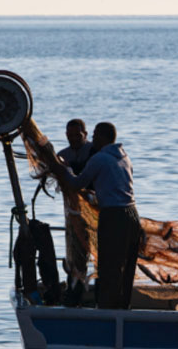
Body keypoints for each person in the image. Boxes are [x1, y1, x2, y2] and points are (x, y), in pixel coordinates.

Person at [52, 122, 141, 309]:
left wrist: (63, 170)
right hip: (133, 215)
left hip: (114, 215)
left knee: (108, 265)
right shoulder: (125, 158)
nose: (93, 139)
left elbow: (77, 184)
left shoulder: (99, 158)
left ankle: (107, 309)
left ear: (102, 137)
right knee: (126, 265)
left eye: (95, 135)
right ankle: (123, 307)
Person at [56, 119, 94, 305]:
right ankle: (75, 290)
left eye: (77, 135)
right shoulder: (62, 155)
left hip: (95, 211)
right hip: (73, 213)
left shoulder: (95, 152)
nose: (73, 139)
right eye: (70, 135)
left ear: (85, 134)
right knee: (76, 254)